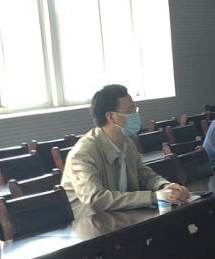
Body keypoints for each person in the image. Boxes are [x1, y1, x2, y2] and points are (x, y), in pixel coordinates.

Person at [61, 84, 189, 213]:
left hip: (121, 215)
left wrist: (166, 187)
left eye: (135, 110)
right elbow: (96, 199)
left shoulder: (127, 142)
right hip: (89, 221)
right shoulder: (82, 154)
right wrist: (152, 197)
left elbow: (145, 175)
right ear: (111, 117)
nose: (136, 115)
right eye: (130, 111)